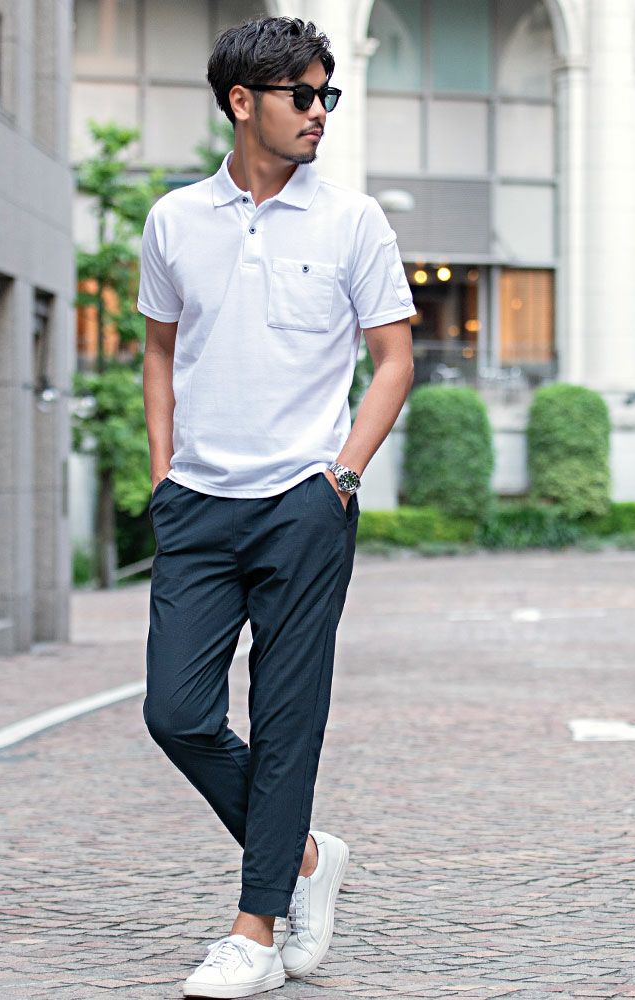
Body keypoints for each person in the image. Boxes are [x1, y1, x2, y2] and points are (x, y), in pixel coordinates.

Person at [137, 16, 416, 998]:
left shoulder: (353, 221)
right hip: (198, 504)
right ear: (241, 101)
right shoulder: (174, 220)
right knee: (176, 713)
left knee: (286, 719)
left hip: (303, 501)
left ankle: (254, 932)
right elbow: (159, 350)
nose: (319, 112)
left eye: (326, 95)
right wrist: (164, 473)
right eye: (303, 95)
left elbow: (394, 359)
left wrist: (342, 474)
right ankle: (302, 855)